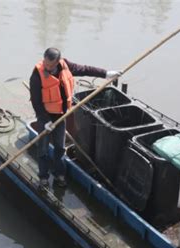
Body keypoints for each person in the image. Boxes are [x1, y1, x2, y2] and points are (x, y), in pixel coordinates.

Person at [29, 47, 121, 189]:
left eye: (51, 65)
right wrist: (45, 120)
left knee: (60, 148)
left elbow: (85, 69)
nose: (47, 67)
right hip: (45, 118)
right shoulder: (37, 75)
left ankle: (59, 175)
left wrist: (106, 74)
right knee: (43, 150)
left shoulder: (66, 66)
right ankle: (43, 177)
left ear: (58, 61)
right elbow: (36, 101)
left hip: (61, 116)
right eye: (46, 64)